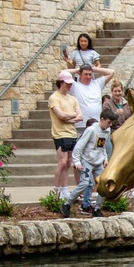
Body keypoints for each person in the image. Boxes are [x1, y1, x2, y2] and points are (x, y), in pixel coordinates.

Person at [61, 109, 114, 218]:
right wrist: (77, 161)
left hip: (98, 162)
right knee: (85, 183)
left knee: (104, 185)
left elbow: (102, 147)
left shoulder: (107, 131)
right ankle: (66, 204)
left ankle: (97, 208)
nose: (110, 125)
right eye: (108, 122)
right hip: (87, 161)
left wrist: (105, 158)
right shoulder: (91, 130)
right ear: (102, 119)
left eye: (111, 123)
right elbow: (79, 146)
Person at [48, 70, 83, 199]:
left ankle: (64, 188)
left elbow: (80, 116)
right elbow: (60, 115)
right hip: (60, 133)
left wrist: (69, 118)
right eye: (67, 83)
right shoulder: (54, 98)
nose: (69, 85)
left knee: (68, 162)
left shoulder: (72, 99)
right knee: (62, 162)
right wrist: (73, 115)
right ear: (61, 82)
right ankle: (56, 189)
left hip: (71, 133)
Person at [69, 64, 114, 138]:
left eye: (90, 74)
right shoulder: (75, 86)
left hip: (97, 124)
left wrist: (94, 69)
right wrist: (78, 69)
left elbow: (111, 72)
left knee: (97, 148)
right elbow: (62, 73)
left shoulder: (97, 83)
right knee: (81, 146)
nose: (88, 77)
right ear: (80, 74)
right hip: (81, 125)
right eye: (85, 74)